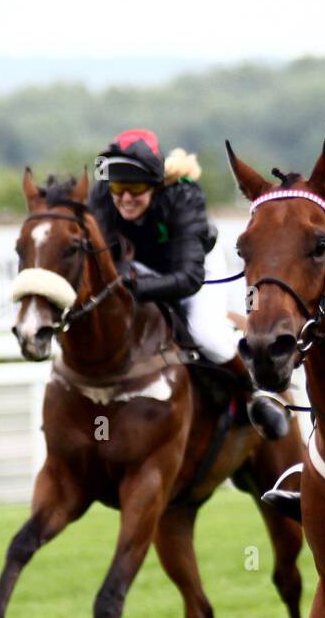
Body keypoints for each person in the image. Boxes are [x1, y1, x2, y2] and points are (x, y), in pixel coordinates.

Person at [88, 128, 288, 439]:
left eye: (136, 187)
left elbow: (188, 278)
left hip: (195, 268)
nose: (125, 197)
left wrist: (133, 287)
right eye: (118, 187)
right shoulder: (102, 197)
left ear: (155, 184)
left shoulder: (183, 197)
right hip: (138, 266)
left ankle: (255, 396)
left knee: (205, 334)